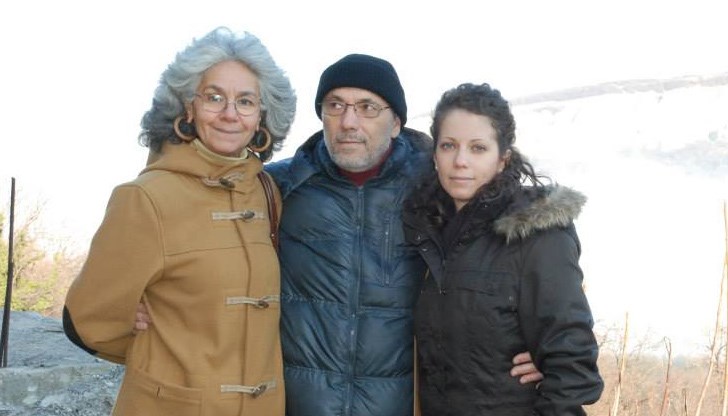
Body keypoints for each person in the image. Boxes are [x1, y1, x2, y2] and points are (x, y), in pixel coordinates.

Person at [264, 55, 542, 416]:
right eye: (335, 105)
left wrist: (543, 341)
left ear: (395, 123)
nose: (348, 122)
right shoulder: (280, 187)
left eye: (367, 108)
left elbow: (513, 255)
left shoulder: (435, 186)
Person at [62, 26, 296, 415]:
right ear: (188, 107)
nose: (229, 114)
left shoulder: (265, 191)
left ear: (261, 116)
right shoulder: (145, 197)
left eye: (245, 101)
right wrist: (161, 353)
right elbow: (89, 321)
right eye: (214, 97)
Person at [402, 82, 604, 415]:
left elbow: (572, 367)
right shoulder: (427, 233)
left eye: (478, 148)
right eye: (449, 145)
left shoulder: (536, 235)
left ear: (502, 159)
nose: (461, 161)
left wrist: (547, 363)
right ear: (435, 155)